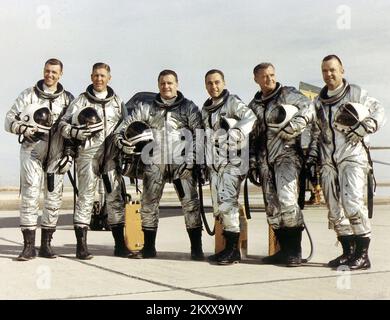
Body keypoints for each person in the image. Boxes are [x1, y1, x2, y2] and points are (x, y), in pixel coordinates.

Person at [114, 69, 204, 260]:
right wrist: (121, 141)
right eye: (163, 83)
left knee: (190, 206)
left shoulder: (188, 108)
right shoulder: (146, 108)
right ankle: (149, 248)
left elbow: (199, 134)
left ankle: (196, 249)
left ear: (177, 84)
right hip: (154, 162)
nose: (166, 86)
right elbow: (125, 126)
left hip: (182, 164)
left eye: (170, 83)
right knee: (148, 205)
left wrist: (192, 160)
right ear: (158, 85)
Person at [307, 55, 386, 270]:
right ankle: (347, 251)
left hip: (352, 156)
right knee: (334, 209)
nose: (328, 74)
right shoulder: (318, 102)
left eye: (332, 70)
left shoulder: (356, 93)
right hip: (327, 160)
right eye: (324, 71)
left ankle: (363, 255)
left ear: (342, 70)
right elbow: (316, 132)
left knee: (352, 204)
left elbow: (379, 110)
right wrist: (312, 158)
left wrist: (365, 126)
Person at [4, 58, 74, 261]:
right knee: (30, 196)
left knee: (53, 200)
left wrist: (69, 154)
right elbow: (9, 119)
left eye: (54, 72)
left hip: (57, 154)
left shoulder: (68, 99)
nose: (49, 75)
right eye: (47, 71)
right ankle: (28, 247)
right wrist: (22, 128)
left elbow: (71, 127)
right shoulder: (29, 94)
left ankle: (46, 245)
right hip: (32, 151)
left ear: (60, 74)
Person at [59, 62, 129, 259]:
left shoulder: (117, 102)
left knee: (115, 200)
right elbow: (63, 125)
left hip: (111, 157)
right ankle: (81, 247)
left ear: (109, 78)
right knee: (85, 199)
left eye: (103, 76)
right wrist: (76, 132)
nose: (99, 79)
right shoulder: (80, 101)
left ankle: (119, 245)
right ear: (91, 77)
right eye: (96, 75)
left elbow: (126, 125)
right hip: (87, 155)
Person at [248, 62, 314, 267]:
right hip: (264, 161)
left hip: (287, 157)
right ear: (256, 79)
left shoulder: (288, 94)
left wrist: (294, 127)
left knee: (287, 202)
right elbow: (252, 136)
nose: (269, 79)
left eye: (272, 75)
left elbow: (310, 108)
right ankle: (283, 251)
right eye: (264, 76)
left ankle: (295, 251)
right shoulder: (255, 105)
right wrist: (251, 161)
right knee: (273, 209)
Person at [202, 69, 256, 265]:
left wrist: (236, 134)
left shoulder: (232, 102)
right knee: (219, 208)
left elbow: (250, 117)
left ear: (223, 83)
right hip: (215, 166)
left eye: (217, 82)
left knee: (228, 204)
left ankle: (233, 251)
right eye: (209, 83)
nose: (213, 86)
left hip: (232, 163)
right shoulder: (206, 109)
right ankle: (227, 247)